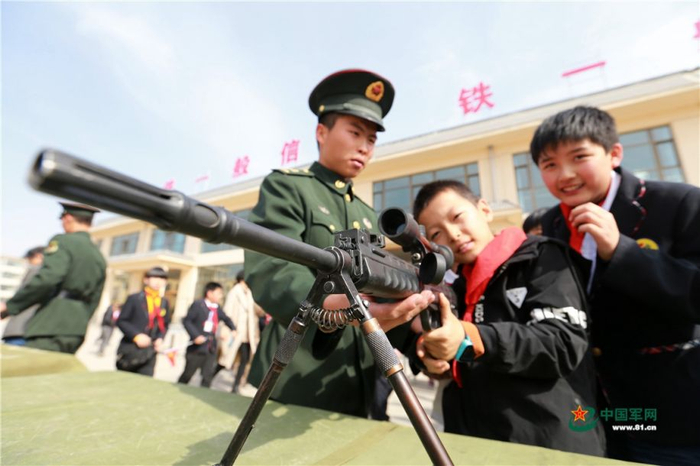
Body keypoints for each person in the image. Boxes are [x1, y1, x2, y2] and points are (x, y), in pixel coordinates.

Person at [244, 69, 434, 417]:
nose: (365, 147)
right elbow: (271, 268)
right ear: (321, 132)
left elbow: (382, 296)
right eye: (355, 132)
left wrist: (418, 336)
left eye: (371, 139)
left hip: (360, 380)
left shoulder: (368, 214)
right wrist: (331, 306)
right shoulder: (289, 187)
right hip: (296, 378)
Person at [530, 106, 700, 465]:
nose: (566, 175)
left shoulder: (680, 203)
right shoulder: (552, 223)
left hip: (676, 415)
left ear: (614, 154)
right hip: (596, 417)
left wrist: (621, 250)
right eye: (550, 164)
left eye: (579, 157)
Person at [412, 180, 604, 456]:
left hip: (550, 445)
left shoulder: (543, 257)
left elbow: (562, 343)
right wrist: (432, 355)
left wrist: (471, 336)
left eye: (457, 217)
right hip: (475, 446)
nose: (453, 234)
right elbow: (458, 356)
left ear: (485, 210)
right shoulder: (454, 289)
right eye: (436, 233)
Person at [0, 202, 106, 354]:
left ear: (68, 218)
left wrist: (10, 306)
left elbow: (47, 278)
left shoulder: (63, 241)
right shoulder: (98, 255)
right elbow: (96, 298)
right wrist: (81, 322)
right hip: (76, 330)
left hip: (49, 326)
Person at [178, 282, 235, 388]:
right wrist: (195, 336)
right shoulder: (198, 305)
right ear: (209, 293)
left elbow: (226, 319)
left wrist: (233, 329)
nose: (221, 296)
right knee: (188, 374)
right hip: (196, 348)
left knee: (207, 376)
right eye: (219, 293)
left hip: (210, 348)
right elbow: (187, 321)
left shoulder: (217, 308)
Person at [116, 267, 171, 376]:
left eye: (162, 278)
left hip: (150, 351)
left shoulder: (164, 302)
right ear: (146, 280)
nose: (158, 281)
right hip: (131, 348)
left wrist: (160, 338)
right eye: (154, 277)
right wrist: (136, 336)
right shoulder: (134, 298)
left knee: (146, 380)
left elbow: (165, 324)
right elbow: (122, 321)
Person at [220, 271, 263, 393]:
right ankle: (209, 376)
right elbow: (227, 311)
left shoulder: (249, 293)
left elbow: (257, 312)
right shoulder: (235, 292)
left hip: (247, 334)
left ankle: (236, 385)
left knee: (244, 359)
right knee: (226, 358)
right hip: (236, 331)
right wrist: (226, 329)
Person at [2, 246, 45, 345]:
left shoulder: (37, 272)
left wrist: (7, 307)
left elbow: (24, 295)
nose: (29, 264)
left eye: (29, 260)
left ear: (38, 256)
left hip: (20, 329)